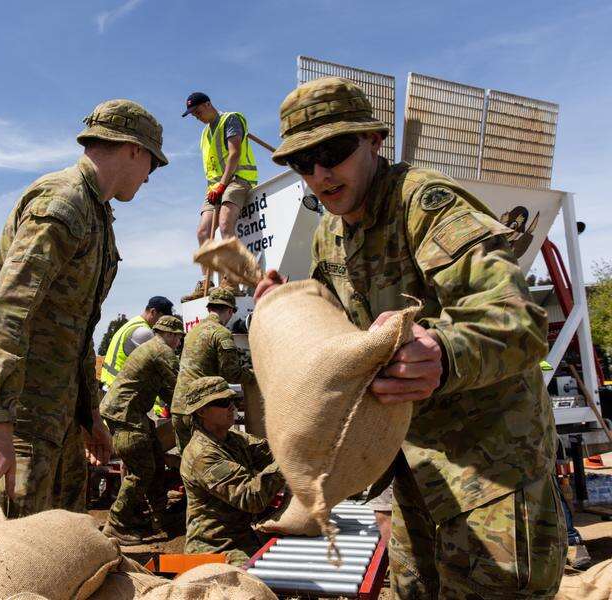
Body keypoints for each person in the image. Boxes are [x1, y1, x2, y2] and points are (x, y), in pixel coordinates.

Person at [255, 77, 566, 597]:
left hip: (486, 467)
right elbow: (344, 337)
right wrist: (293, 308)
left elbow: (519, 320)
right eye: (302, 162)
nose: (320, 173)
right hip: (409, 466)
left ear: (374, 141)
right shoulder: (331, 232)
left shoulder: (426, 203)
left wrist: (443, 352)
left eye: (333, 152)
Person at [0, 99, 168, 518]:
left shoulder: (97, 215)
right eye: (153, 165)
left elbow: (77, 329)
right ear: (133, 150)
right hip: (19, 420)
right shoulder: (65, 201)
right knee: (11, 556)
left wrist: (89, 415)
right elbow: (8, 310)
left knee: (60, 546)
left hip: (56, 418)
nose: (149, 178)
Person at [180, 376, 284, 566]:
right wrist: (287, 463)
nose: (231, 407)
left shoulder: (232, 438)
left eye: (233, 401)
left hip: (243, 535)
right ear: (202, 411)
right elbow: (252, 498)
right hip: (216, 547)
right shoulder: (202, 455)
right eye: (222, 402)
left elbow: (271, 451)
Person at [100, 315, 184, 545]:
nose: (178, 343)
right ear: (169, 334)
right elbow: (179, 387)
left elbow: (169, 392)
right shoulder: (162, 351)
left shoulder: (151, 348)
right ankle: (116, 525)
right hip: (126, 416)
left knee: (156, 459)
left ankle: (160, 514)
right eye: (177, 338)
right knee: (143, 470)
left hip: (129, 412)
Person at [181, 92, 258, 300]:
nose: (196, 116)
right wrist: (216, 188)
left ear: (208, 104)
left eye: (197, 111)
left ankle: (231, 280)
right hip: (215, 187)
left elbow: (234, 153)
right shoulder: (205, 134)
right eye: (193, 114)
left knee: (225, 225)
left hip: (237, 179)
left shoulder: (230, 119)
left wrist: (223, 185)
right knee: (202, 232)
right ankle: (206, 282)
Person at [171, 287, 253, 454]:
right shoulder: (221, 333)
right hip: (199, 410)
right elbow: (231, 373)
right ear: (230, 311)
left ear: (209, 308)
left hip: (179, 408)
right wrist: (256, 375)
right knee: (207, 465)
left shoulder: (193, 332)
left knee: (188, 465)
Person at [100, 295, 174, 389]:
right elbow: (161, 367)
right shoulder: (143, 332)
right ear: (153, 312)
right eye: (163, 320)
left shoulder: (134, 323)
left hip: (110, 384)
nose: (165, 326)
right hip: (120, 389)